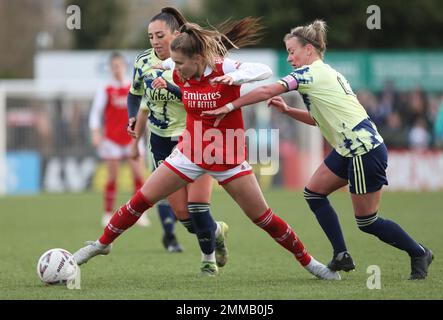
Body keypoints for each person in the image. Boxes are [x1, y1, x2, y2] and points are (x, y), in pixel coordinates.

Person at [73, 17, 340, 280]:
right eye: (173, 63)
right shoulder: (177, 67)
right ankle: (102, 244)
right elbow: (159, 65)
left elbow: (263, 71)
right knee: (142, 200)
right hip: (190, 152)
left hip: (229, 158)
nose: (174, 69)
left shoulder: (223, 68)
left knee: (264, 219)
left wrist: (234, 77)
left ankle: (310, 263)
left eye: (179, 63)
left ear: (198, 60)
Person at [203, 20, 434, 280]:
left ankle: (419, 252)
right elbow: (318, 119)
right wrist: (289, 111)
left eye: (292, 51)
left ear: (309, 50)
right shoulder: (328, 73)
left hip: (362, 150)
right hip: (348, 149)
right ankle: (341, 254)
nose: (289, 58)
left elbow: (267, 88)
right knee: (314, 193)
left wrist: (230, 106)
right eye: (287, 52)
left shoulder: (309, 74)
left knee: (367, 222)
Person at [127, 8, 230, 264]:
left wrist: (172, 88)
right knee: (184, 216)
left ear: (176, 34)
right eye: (150, 36)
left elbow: (199, 98)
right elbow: (135, 94)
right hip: (160, 141)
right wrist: (132, 118)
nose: (155, 41)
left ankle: (208, 262)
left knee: (197, 208)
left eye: (160, 35)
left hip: (192, 138)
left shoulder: (193, 61)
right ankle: (216, 231)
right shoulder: (142, 61)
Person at [88, 52, 150, 228]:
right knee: (112, 176)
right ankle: (108, 213)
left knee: (139, 175)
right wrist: (95, 132)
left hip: (132, 139)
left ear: (124, 66)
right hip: (112, 140)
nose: (117, 69)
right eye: (113, 66)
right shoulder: (105, 88)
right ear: (110, 68)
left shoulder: (133, 86)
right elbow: (95, 113)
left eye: (119, 65)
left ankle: (141, 214)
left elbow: (142, 111)